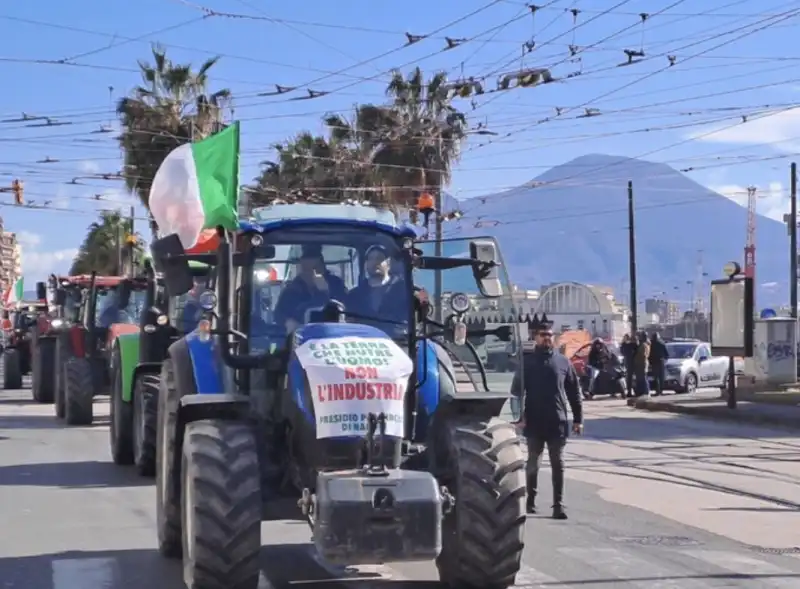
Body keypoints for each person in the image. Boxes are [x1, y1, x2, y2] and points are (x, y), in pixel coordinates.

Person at [511, 316, 583, 520]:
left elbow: (574, 392)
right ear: (536, 337)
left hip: (557, 421)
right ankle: (530, 501)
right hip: (533, 421)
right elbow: (516, 392)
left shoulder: (563, 361)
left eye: (550, 335)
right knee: (533, 462)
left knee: (558, 463)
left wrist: (578, 419)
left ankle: (558, 505)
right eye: (543, 335)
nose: (547, 339)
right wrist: (518, 417)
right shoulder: (527, 362)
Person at [274, 244, 348, 332]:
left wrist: (324, 292)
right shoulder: (292, 289)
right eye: (305, 269)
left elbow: (345, 309)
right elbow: (279, 314)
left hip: (332, 334)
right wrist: (287, 321)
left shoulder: (336, 284)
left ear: (322, 267)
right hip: (300, 336)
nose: (310, 273)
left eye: (314, 268)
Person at [346, 245, 408, 329]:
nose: (375, 262)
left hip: (396, 340)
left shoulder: (403, 292)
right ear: (366, 264)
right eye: (371, 259)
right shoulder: (354, 296)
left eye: (380, 258)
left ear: (389, 263)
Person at [648, 332, 669, 396]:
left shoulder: (651, 343)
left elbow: (650, 353)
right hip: (661, 361)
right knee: (661, 377)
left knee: (656, 377)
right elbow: (666, 354)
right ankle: (661, 391)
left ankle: (657, 391)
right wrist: (665, 359)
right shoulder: (662, 343)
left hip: (654, 362)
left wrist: (650, 360)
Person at [633, 331, 651, 397]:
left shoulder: (644, 345)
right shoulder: (644, 344)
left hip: (642, 363)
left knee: (643, 378)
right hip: (641, 363)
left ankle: (646, 392)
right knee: (641, 378)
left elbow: (644, 355)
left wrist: (637, 355)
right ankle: (642, 391)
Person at [620, 334, 638, 398]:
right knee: (629, 378)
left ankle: (633, 391)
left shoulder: (631, 345)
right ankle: (629, 391)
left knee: (632, 378)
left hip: (631, 363)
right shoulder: (624, 345)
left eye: (626, 338)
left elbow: (636, 350)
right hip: (628, 363)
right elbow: (622, 352)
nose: (626, 339)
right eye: (625, 338)